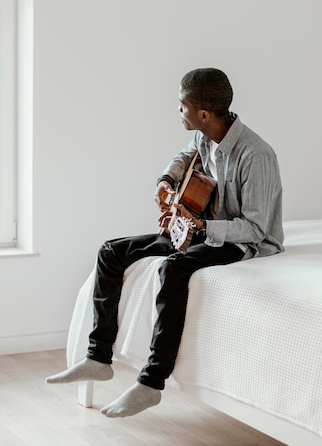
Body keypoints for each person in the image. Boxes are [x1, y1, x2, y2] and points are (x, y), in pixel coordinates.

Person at [46, 68, 284, 417]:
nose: (178, 110)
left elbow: (256, 228)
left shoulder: (256, 155)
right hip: (202, 226)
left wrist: (202, 226)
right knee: (111, 251)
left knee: (173, 268)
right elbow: (184, 157)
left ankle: (151, 381)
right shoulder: (206, 136)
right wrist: (166, 181)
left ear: (203, 113)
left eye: (181, 104)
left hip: (242, 240)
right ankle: (98, 357)